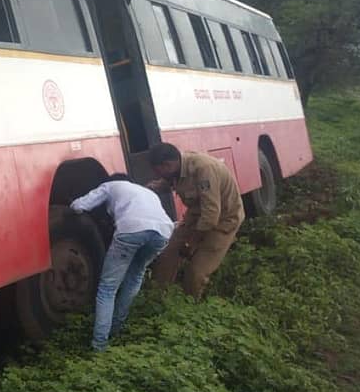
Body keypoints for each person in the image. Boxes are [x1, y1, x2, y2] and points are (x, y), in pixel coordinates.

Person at [70, 173, 174, 351]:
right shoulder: (147, 192)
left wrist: (72, 208)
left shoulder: (110, 186)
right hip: (163, 233)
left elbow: (79, 206)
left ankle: (99, 345)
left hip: (131, 229)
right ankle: (117, 329)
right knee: (135, 277)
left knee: (107, 289)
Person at [147, 143, 245, 298]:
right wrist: (147, 189)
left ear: (168, 164)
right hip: (196, 215)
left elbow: (211, 214)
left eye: (159, 172)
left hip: (223, 219)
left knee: (196, 272)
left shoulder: (204, 169)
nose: (159, 175)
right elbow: (169, 183)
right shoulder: (176, 169)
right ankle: (158, 297)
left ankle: (191, 304)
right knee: (167, 255)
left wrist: (191, 243)